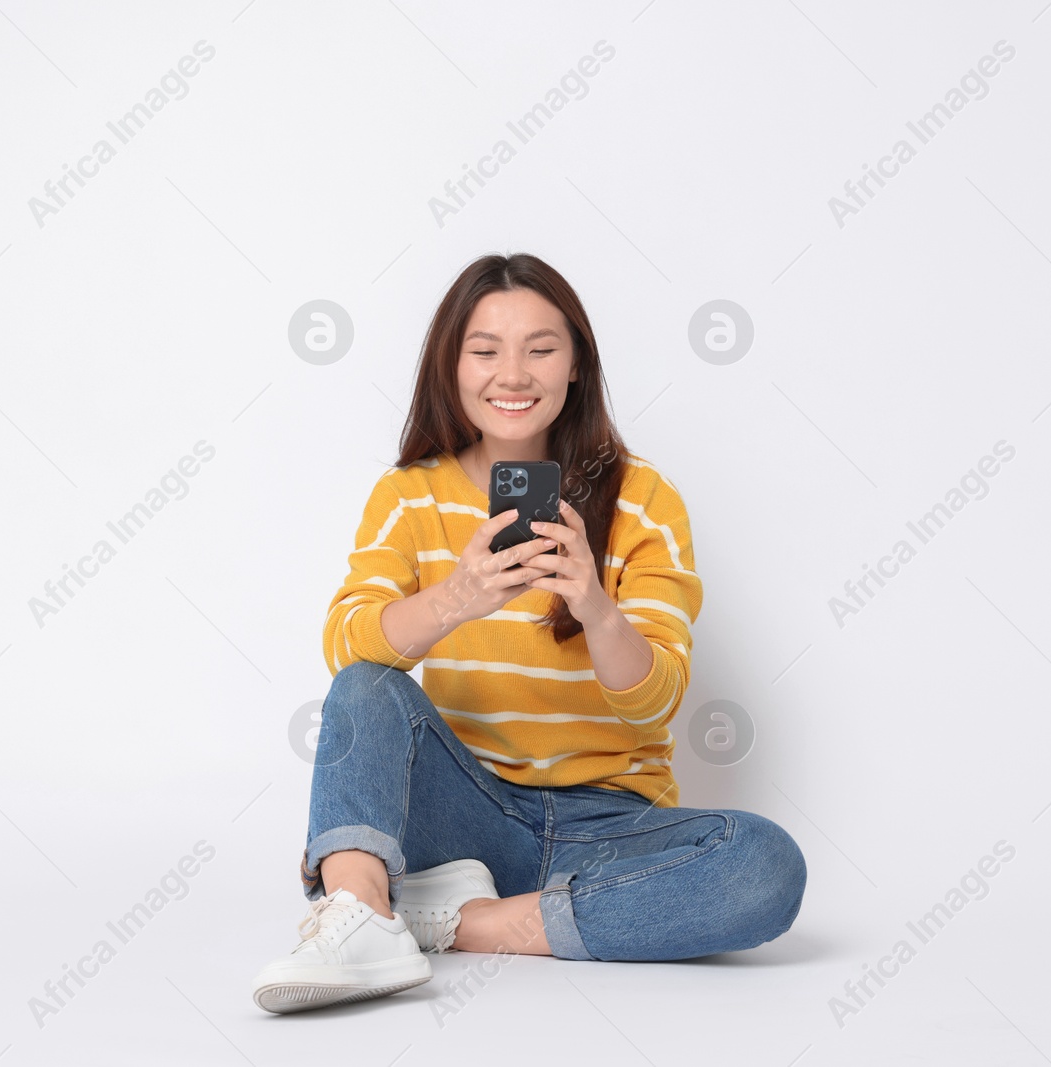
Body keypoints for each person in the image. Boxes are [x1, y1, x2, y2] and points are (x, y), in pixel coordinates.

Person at [252, 252, 807, 1014]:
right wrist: (457, 598)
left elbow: (655, 704)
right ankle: (359, 916)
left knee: (764, 865)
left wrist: (594, 604)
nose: (512, 374)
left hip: (609, 820)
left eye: (540, 348)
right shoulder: (409, 494)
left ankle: (463, 920)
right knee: (365, 687)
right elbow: (348, 645)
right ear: (451, 366)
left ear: (576, 362)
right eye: (485, 351)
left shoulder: (644, 499)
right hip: (466, 814)